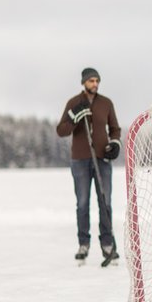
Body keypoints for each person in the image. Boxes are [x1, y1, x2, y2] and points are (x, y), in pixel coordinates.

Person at [56, 67, 122, 264]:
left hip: (102, 159)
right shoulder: (74, 102)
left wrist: (115, 144)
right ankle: (83, 244)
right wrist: (74, 117)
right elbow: (61, 130)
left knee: (105, 202)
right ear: (84, 82)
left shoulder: (106, 103)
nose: (95, 84)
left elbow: (115, 129)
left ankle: (107, 244)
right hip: (80, 160)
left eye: (97, 80)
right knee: (83, 203)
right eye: (91, 81)